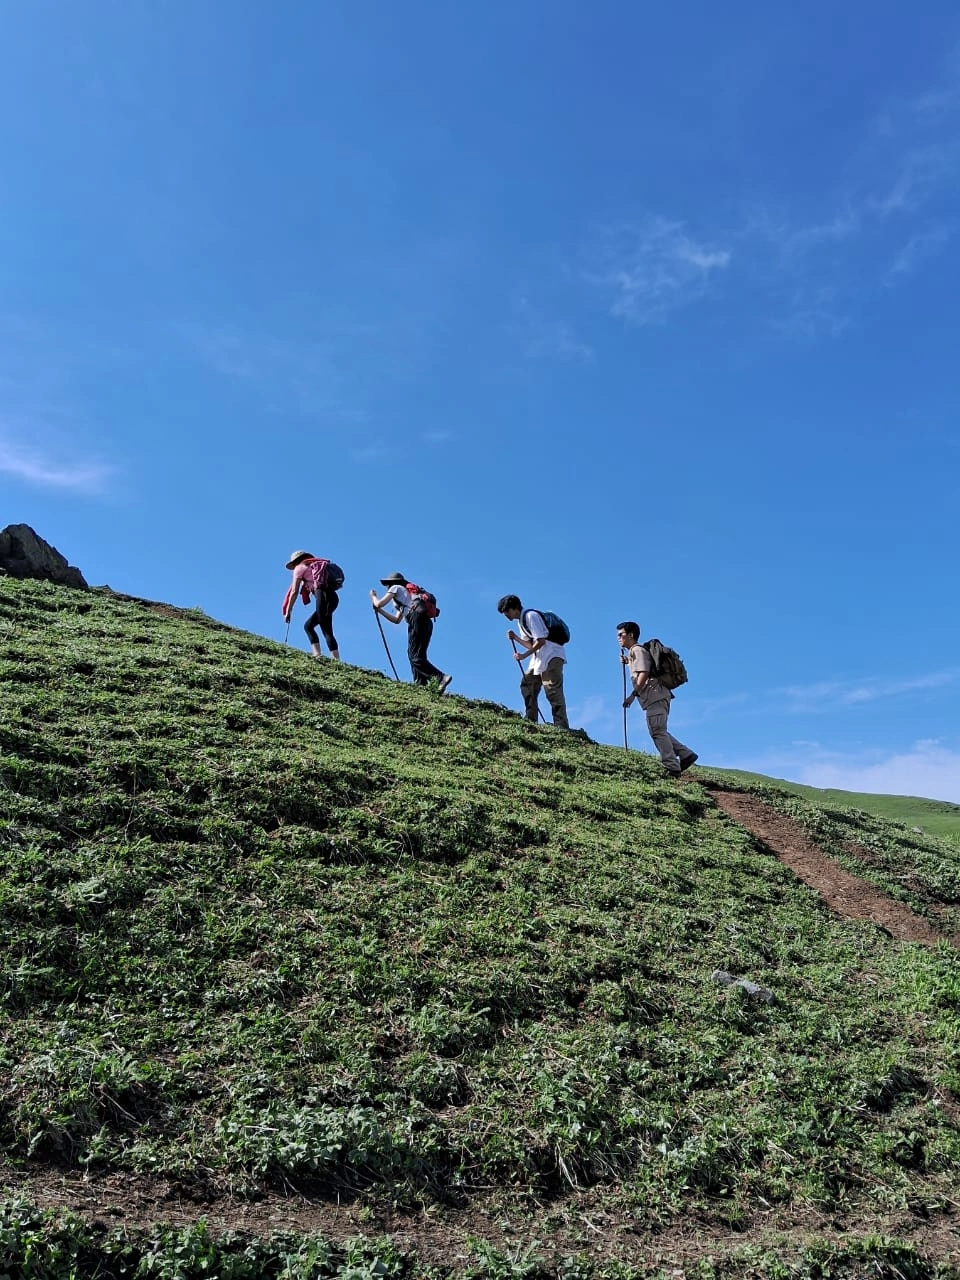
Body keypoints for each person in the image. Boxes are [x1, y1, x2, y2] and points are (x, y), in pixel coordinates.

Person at [617, 620, 697, 777]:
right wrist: (628, 661)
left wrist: (633, 695)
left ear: (630, 635)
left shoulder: (637, 650)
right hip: (657, 696)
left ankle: (672, 766)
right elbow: (642, 667)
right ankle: (685, 754)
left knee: (657, 731)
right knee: (658, 730)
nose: (618, 638)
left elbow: (644, 672)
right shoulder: (635, 652)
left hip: (655, 696)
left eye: (621, 635)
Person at [497, 594, 569, 729]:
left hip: (552, 655)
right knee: (527, 683)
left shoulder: (530, 616)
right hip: (540, 657)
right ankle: (531, 719)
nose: (505, 615)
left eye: (506, 611)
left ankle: (561, 725)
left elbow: (541, 641)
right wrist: (516, 638)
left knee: (552, 690)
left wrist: (523, 656)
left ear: (514, 608)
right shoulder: (521, 621)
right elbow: (531, 644)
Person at [370, 573, 452, 692]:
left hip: (416, 619)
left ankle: (440, 677)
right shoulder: (408, 595)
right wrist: (380, 611)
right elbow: (396, 620)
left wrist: (373, 596)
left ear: (392, 583)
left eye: (387, 584)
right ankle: (421, 685)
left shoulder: (396, 588)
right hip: (426, 622)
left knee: (414, 656)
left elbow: (379, 603)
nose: (387, 587)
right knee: (417, 655)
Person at [283, 550, 341, 660]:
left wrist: (288, 611)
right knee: (326, 629)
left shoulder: (299, 568)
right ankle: (336, 659)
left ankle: (317, 655)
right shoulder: (312, 567)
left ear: (295, 562)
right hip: (333, 599)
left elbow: (294, 592)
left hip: (323, 597)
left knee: (310, 627)